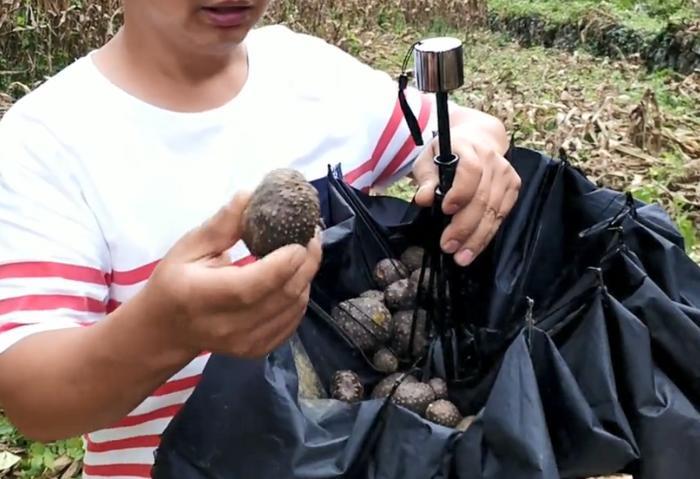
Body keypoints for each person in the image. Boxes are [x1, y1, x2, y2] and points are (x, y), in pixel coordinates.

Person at [0, 0, 521, 477]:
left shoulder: (315, 74)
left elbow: (451, 128)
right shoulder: (44, 146)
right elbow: (35, 400)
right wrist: (165, 330)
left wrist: (473, 148)